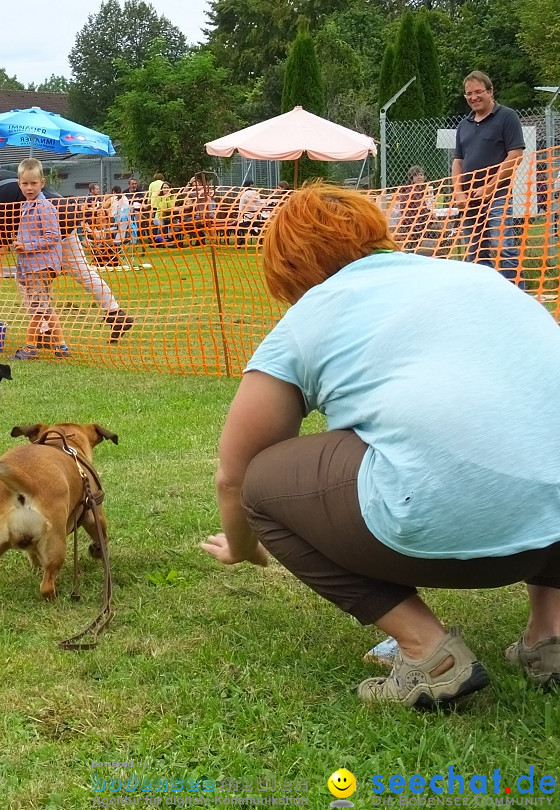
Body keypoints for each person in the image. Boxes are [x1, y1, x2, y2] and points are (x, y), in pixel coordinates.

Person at [201, 184, 560, 709]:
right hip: (552, 533)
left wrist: (242, 543)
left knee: (263, 484)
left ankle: (426, 650)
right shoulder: (478, 275)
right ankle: (548, 635)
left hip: (445, 531)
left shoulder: (312, 313)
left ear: (290, 268)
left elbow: (235, 474)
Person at [0, 165, 135, 344]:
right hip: (65, 214)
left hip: (49, 227)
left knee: (27, 280)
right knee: (81, 271)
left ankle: (44, 332)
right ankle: (115, 313)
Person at [452, 70, 525, 283]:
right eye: (468, 94)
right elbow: (458, 162)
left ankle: (515, 295)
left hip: (498, 196)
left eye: (478, 92)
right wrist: (458, 193)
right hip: (469, 200)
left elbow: (515, 155)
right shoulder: (463, 125)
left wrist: (490, 187)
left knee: (503, 248)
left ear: (490, 92)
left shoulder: (507, 117)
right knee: (475, 253)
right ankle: (485, 297)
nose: (473, 97)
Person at [10, 159, 68, 361]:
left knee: (37, 307)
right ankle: (60, 345)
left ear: (42, 183)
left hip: (42, 265)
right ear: (19, 183)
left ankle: (30, 346)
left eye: (33, 183)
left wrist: (28, 246)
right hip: (31, 266)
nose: (29, 187)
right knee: (43, 306)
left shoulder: (44, 207)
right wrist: (19, 246)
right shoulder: (26, 206)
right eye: (25, 183)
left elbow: (53, 236)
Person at [390, 165, 436, 255]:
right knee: (444, 228)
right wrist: (431, 216)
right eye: (416, 175)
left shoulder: (416, 189)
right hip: (414, 224)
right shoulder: (413, 190)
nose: (419, 177)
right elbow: (420, 210)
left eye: (421, 174)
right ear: (411, 178)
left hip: (413, 223)